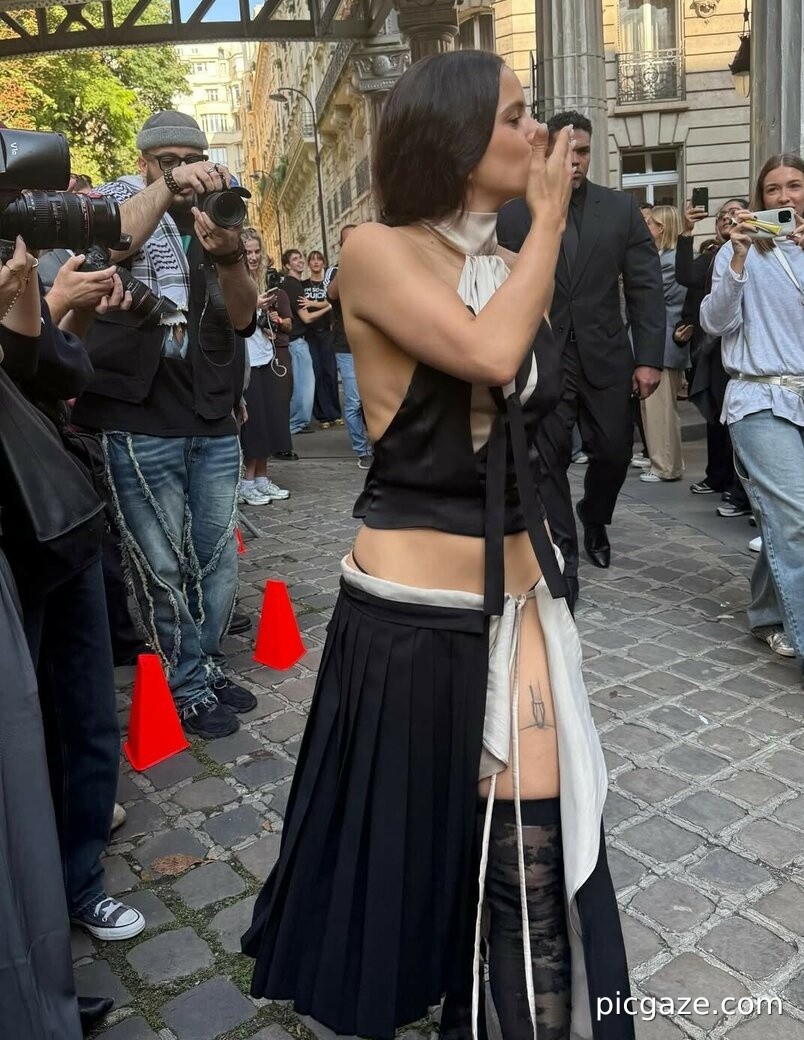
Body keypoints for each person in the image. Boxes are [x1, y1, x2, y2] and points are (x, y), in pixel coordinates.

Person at [243, 51, 633, 1040]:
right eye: (515, 117)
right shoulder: (373, 248)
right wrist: (549, 223)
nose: (539, 134)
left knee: (533, 849)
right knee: (417, 856)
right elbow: (489, 355)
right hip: (415, 619)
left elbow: (529, 414)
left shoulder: (504, 256)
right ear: (456, 140)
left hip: (523, 599)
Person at [71, 110, 258, 740]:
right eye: (168, 161)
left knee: (217, 560)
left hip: (211, 408)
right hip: (136, 409)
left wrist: (229, 258)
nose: (183, 172)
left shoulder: (217, 213)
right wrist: (170, 188)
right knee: (160, 564)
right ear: (145, 162)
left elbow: (242, 319)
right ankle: (185, 685)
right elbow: (113, 243)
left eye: (191, 159)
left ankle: (204, 667)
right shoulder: (120, 200)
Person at [497, 110, 664, 609]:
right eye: (565, 150)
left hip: (606, 356)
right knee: (547, 461)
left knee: (613, 452)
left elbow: (645, 286)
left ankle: (595, 515)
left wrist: (648, 358)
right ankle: (564, 555)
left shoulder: (619, 209)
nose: (575, 160)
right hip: (544, 356)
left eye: (583, 151)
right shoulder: (513, 213)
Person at [701, 153, 804, 669]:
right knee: (796, 516)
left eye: (795, 186)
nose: (785, 198)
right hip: (759, 397)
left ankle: (767, 614)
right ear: (760, 198)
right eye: (773, 189)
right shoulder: (738, 250)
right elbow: (715, 322)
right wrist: (738, 259)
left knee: (784, 519)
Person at [679, 198, 753, 517]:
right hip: (713, 347)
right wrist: (686, 232)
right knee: (715, 415)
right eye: (723, 214)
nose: (727, 218)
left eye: (734, 213)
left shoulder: (766, 250)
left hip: (749, 353)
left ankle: (742, 492)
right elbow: (686, 277)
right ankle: (721, 477)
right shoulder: (714, 254)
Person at [239, 228, 293, 501]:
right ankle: (247, 483)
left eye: (256, 251)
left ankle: (261, 478)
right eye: (247, 252)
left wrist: (269, 322)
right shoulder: (234, 279)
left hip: (265, 356)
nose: (253, 257)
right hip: (245, 361)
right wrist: (253, 305)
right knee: (253, 424)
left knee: (268, 420)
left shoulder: (262, 280)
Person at [639, 205, 688, 482]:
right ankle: (665, 461)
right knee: (655, 408)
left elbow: (653, 297)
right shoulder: (661, 257)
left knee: (661, 409)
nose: (646, 227)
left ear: (662, 228)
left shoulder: (670, 261)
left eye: (650, 223)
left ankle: (665, 465)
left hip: (665, 341)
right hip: (661, 340)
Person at [324, 224, 373, 469]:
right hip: (346, 347)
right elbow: (331, 295)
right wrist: (348, 262)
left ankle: (380, 446)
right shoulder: (335, 271)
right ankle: (362, 451)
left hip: (372, 346)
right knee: (354, 402)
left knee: (375, 399)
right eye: (349, 242)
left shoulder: (373, 268)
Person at [302, 249, 342, 428]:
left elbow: (332, 300)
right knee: (316, 373)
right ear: (309, 264)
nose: (316, 262)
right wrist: (323, 306)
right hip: (310, 334)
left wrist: (313, 303)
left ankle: (335, 413)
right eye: (313, 259)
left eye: (319, 259)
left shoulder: (329, 283)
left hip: (327, 333)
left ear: (324, 263)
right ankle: (322, 416)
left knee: (330, 373)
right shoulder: (303, 285)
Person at [281, 247, 316, 435]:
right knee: (304, 385)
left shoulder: (292, 284)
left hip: (295, 342)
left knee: (302, 384)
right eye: (295, 259)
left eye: (300, 257)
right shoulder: (293, 285)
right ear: (287, 265)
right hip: (297, 343)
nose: (300, 261)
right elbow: (307, 318)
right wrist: (328, 306)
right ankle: (296, 423)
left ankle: (297, 422)